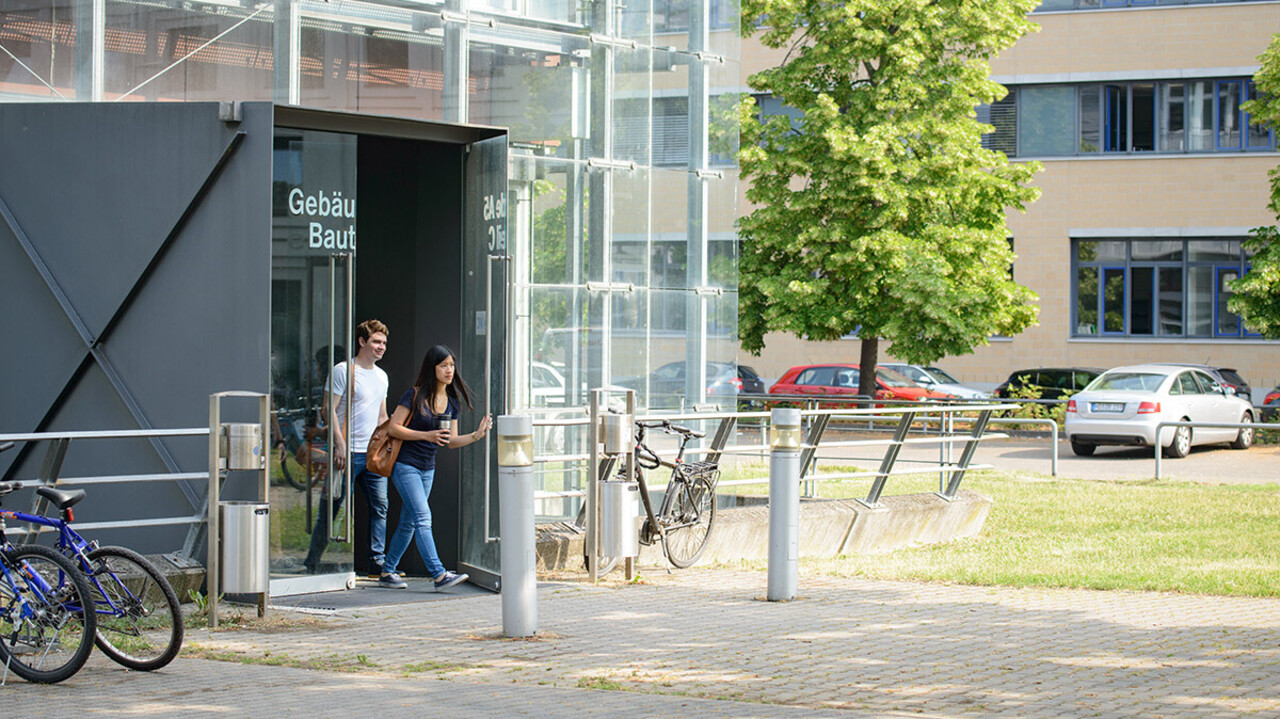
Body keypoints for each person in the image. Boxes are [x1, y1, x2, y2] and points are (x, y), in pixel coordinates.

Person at [379, 345, 491, 590]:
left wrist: (476, 435)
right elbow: (393, 428)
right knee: (422, 517)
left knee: (409, 522)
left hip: (427, 469)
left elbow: (450, 441)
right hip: (405, 466)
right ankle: (439, 574)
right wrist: (426, 435)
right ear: (433, 368)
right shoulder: (414, 395)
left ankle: (388, 571)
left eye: (451, 365)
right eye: (443, 365)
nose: (449, 370)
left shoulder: (452, 403)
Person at [303, 321, 390, 576]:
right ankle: (312, 562)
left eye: (384, 343)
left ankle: (377, 561)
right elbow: (328, 410)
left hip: (372, 454)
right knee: (331, 507)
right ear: (362, 342)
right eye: (376, 342)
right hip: (346, 453)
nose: (381, 347)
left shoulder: (382, 376)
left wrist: (385, 446)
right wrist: (339, 445)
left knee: (380, 506)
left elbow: (382, 415)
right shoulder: (343, 371)